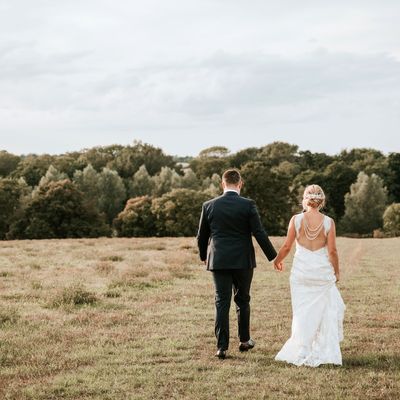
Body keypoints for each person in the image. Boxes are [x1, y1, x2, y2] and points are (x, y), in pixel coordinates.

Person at [197, 169, 277, 359]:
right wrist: (273, 257)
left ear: (223, 184)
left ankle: (221, 347)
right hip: (243, 260)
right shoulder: (248, 205)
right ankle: (244, 340)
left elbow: (202, 235)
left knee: (221, 302)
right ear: (240, 184)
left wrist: (203, 255)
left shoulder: (209, 205)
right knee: (242, 300)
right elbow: (259, 233)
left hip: (218, 260)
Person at [274, 184, 345, 367]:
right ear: (321, 201)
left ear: (305, 199)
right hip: (321, 272)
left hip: (301, 272)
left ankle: (302, 348)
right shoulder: (329, 222)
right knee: (323, 312)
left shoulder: (296, 220)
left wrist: (277, 259)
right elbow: (333, 252)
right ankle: (321, 350)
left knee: (301, 312)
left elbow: (287, 246)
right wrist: (336, 271)